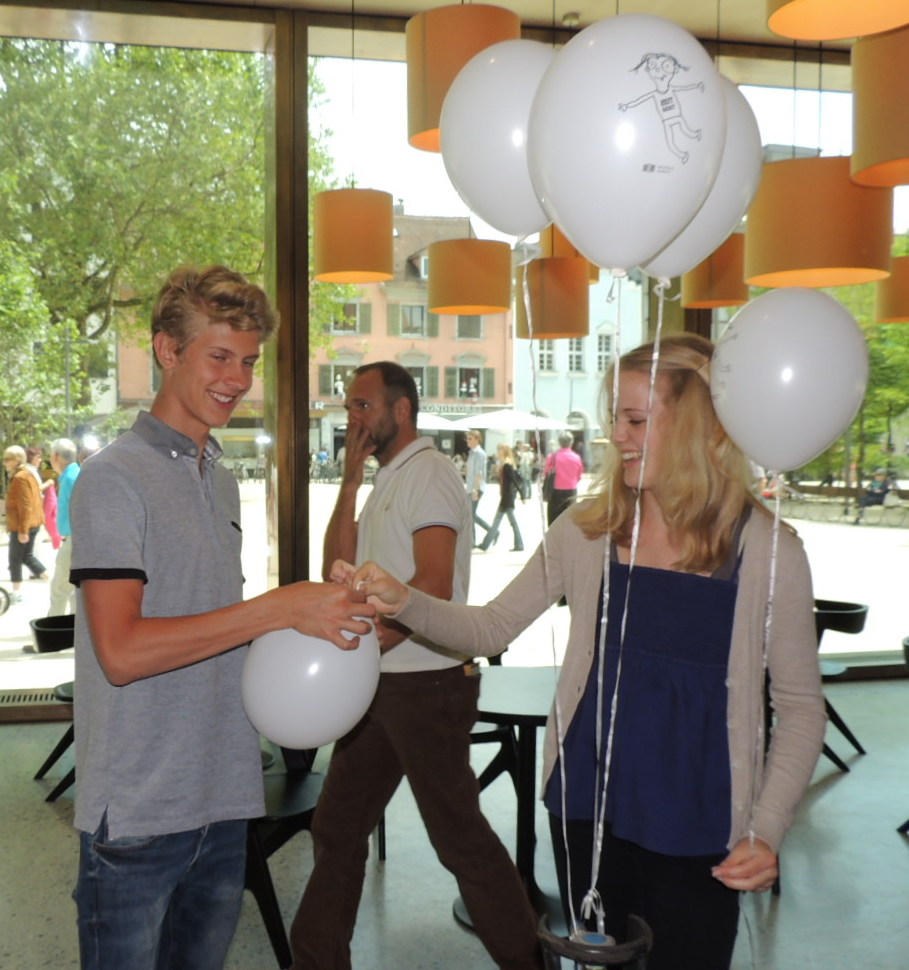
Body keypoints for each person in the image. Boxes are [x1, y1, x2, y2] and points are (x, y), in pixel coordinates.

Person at [342, 334, 827, 970]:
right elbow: (491, 628)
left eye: (636, 420)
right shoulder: (585, 531)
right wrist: (403, 599)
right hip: (587, 812)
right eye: (615, 419)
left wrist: (767, 827)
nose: (616, 436)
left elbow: (800, 707)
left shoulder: (768, 551)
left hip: (702, 823)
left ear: (700, 425)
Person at [68, 265, 373, 970]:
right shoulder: (114, 478)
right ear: (167, 350)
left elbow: (214, 627)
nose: (237, 379)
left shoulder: (221, 479)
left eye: (248, 362)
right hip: (138, 811)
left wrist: (314, 613)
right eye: (219, 357)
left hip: (224, 795)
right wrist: (273, 607)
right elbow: (122, 652)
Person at [289, 361, 542, 970]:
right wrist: (349, 483)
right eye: (349, 407)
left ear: (401, 410)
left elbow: (433, 583)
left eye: (363, 406)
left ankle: (530, 962)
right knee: (338, 828)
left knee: (459, 840)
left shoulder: (428, 474)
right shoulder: (388, 478)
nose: (353, 418)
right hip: (380, 687)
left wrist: (370, 644)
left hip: (427, 687)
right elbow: (334, 570)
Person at [3, 445, 49, 602]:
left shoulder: (20, 477)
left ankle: (17, 593)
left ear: (17, 460)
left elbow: (25, 505)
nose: (5, 463)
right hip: (30, 523)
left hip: (23, 525)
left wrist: (23, 530)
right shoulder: (26, 474)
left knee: (15, 559)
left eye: (7, 459)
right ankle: (49, 578)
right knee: (26, 557)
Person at [47, 438, 81, 616]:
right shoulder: (76, 474)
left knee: (59, 590)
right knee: (74, 591)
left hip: (75, 539)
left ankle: (51, 630)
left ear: (56, 456)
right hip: (77, 538)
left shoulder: (69, 478)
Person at [477, 443, 525, 552]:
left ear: (505, 451)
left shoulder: (507, 464)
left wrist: (522, 495)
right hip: (506, 496)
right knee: (503, 521)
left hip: (507, 497)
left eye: (500, 449)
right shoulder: (504, 463)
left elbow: (514, 480)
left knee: (503, 521)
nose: (498, 451)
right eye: (498, 449)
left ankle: (486, 544)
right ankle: (486, 544)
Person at [544, 431, 583, 525]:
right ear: (571, 442)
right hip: (571, 490)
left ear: (559, 442)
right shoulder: (576, 457)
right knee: (570, 518)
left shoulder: (552, 457)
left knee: (553, 519)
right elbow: (579, 476)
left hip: (555, 491)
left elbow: (546, 474)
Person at [465, 428, 492, 546]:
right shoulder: (472, 453)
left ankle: (491, 532)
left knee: (471, 515)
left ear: (477, 439)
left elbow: (479, 473)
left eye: (470, 438)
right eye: (467, 438)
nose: (467, 441)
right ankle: (473, 541)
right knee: (470, 515)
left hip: (476, 488)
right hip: (470, 488)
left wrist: (476, 490)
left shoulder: (480, 454)